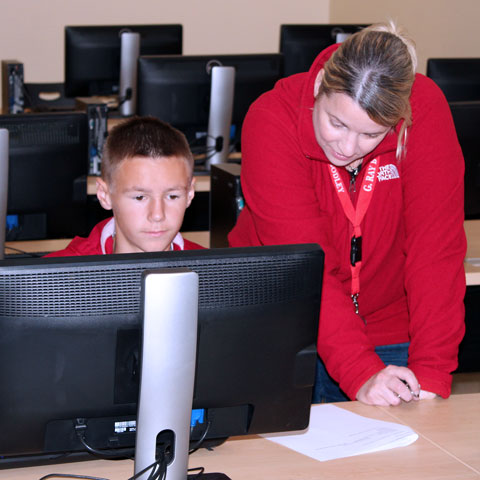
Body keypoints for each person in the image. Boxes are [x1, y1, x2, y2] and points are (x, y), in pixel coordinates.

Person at [228, 22, 466, 406]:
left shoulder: (425, 109)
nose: (348, 148)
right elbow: (306, 264)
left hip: (390, 329)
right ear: (321, 82)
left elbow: (436, 248)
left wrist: (433, 371)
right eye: (336, 123)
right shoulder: (273, 119)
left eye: (372, 135)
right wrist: (360, 372)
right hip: (285, 323)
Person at [47, 116, 203, 257]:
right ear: (104, 195)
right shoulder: (55, 279)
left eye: (172, 196)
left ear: (190, 193)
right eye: (140, 197)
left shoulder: (213, 272)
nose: (157, 215)